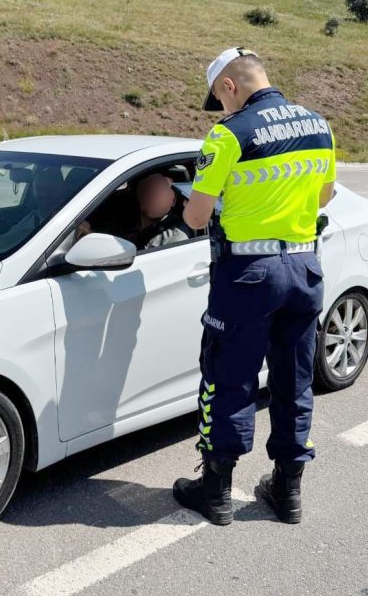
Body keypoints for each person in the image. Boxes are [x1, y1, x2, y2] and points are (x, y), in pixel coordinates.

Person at [172, 47, 337, 526]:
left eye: (219, 99)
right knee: (295, 381)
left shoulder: (227, 135)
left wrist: (227, 201)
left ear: (229, 86)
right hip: (305, 270)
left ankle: (216, 491)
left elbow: (197, 216)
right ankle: (287, 492)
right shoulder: (319, 125)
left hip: (247, 275)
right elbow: (324, 194)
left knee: (229, 379)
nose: (220, 110)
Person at [76, 172, 191, 249]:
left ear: (173, 201)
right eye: (150, 190)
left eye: (162, 192)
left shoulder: (176, 238)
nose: (154, 195)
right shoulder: (120, 219)